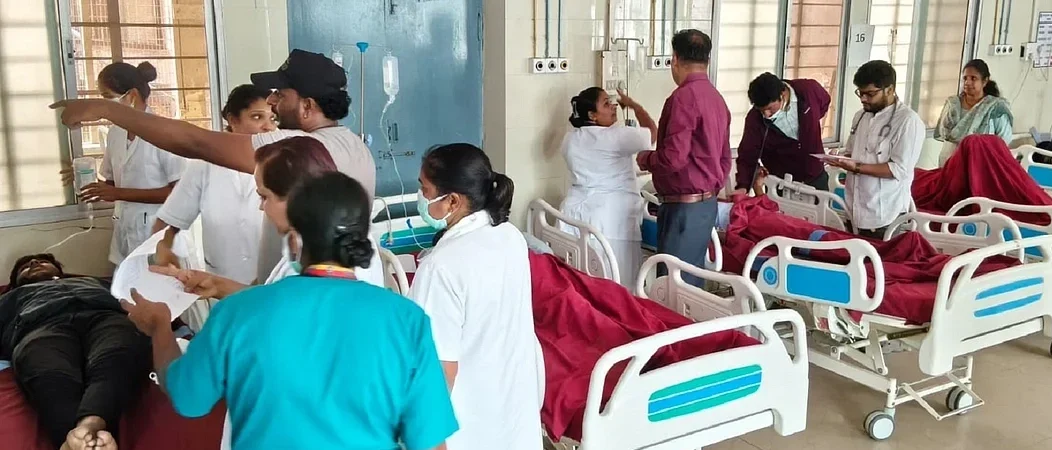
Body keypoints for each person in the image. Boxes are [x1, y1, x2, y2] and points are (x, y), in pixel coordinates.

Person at [120, 172, 458, 450]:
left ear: (294, 240)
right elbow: (429, 442)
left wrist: (160, 328)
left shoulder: (238, 313)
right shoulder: (406, 321)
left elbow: (187, 397)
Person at [52, 49, 376, 283]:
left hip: (306, 298)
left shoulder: (301, 147)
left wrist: (106, 110)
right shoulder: (353, 146)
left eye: (280, 94)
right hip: (286, 290)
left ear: (307, 106)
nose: (272, 101)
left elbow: (196, 143)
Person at [407, 143, 540, 450]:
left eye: (425, 189)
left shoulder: (441, 268)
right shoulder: (509, 236)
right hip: (513, 417)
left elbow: (439, 373)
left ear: (453, 200)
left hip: (469, 429)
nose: (421, 197)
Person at [151, 136, 385, 299]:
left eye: (265, 196)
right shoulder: (311, 242)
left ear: (296, 196)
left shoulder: (327, 258)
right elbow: (276, 300)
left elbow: (286, 314)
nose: (261, 207)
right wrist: (216, 285)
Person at [0, 254, 150, 450]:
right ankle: (86, 436)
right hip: (40, 326)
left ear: (59, 270)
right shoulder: (10, 298)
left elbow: (142, 304)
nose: (35, 263)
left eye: (42, 261)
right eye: (25, 267)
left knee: (117, 354)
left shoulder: (96, 282)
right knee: (48, 369)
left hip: (105, 316)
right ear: (15, 283)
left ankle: (87, 427)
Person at [151, 84, 277, 284]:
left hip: (274, 283)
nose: (268, 127)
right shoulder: (205, 165)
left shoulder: (285, 163)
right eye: (257, 117)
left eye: (273, 119)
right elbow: (169, 221)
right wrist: (164, 250)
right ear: (233, 120)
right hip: (219, 283)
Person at [635, 29, 731, 286]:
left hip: (683, 208)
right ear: (708, 59)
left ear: (675, 59)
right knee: (690, 281)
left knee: (673, 285)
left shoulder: (682, 99)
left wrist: (645, 159)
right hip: (706, 205)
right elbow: (724, 158)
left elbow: (673, 158)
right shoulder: (717, 99)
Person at [80, 62, 187, 266]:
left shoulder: (163, 132)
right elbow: (111, 185)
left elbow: (179, 193)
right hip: (124, 229)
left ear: (132, 95)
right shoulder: (115, 132)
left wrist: (119, 193)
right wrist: (85, 178)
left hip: (158, 234)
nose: (104, 105)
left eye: (107, 97)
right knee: (125, 283)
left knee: (158, 283)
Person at [559, 87, 657, 291]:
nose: (613, 106)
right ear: (592, 115)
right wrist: (634, 106)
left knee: (582, 283)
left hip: (575, 215)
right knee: (618, 285)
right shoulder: (616, 136)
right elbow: (652, 133)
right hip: (611, 221)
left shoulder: (570, 139)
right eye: (606, 103)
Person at [825, 60, 926, 239]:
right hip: (854, 208)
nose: (863, 99)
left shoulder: (908, 121)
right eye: (860, 93)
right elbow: (853, 152)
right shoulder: (861, 116)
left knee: (880, 257)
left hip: (884, 213)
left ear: (890, 89)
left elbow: (899, 169)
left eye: (870, 94)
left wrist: (856, 167)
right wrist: (839, 158)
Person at [735, 72, 832, 194]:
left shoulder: (807, 90)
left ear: (783, 94)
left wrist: (810, 125)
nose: (766, 114)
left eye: (770, 108)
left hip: (815, 176)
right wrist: (743, 186)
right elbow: (747, 155)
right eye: (761, 110)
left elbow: (824, 102)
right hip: (781, 184)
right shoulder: (755, 119)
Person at [934, 59, 1014, 148]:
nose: (967, 82)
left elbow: (1004, 141)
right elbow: (944, 135)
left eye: (973, 78)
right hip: (951, 155)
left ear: (984, 81)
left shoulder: (995, 108)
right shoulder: (952, 104)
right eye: (965, 78)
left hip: (983, 155)